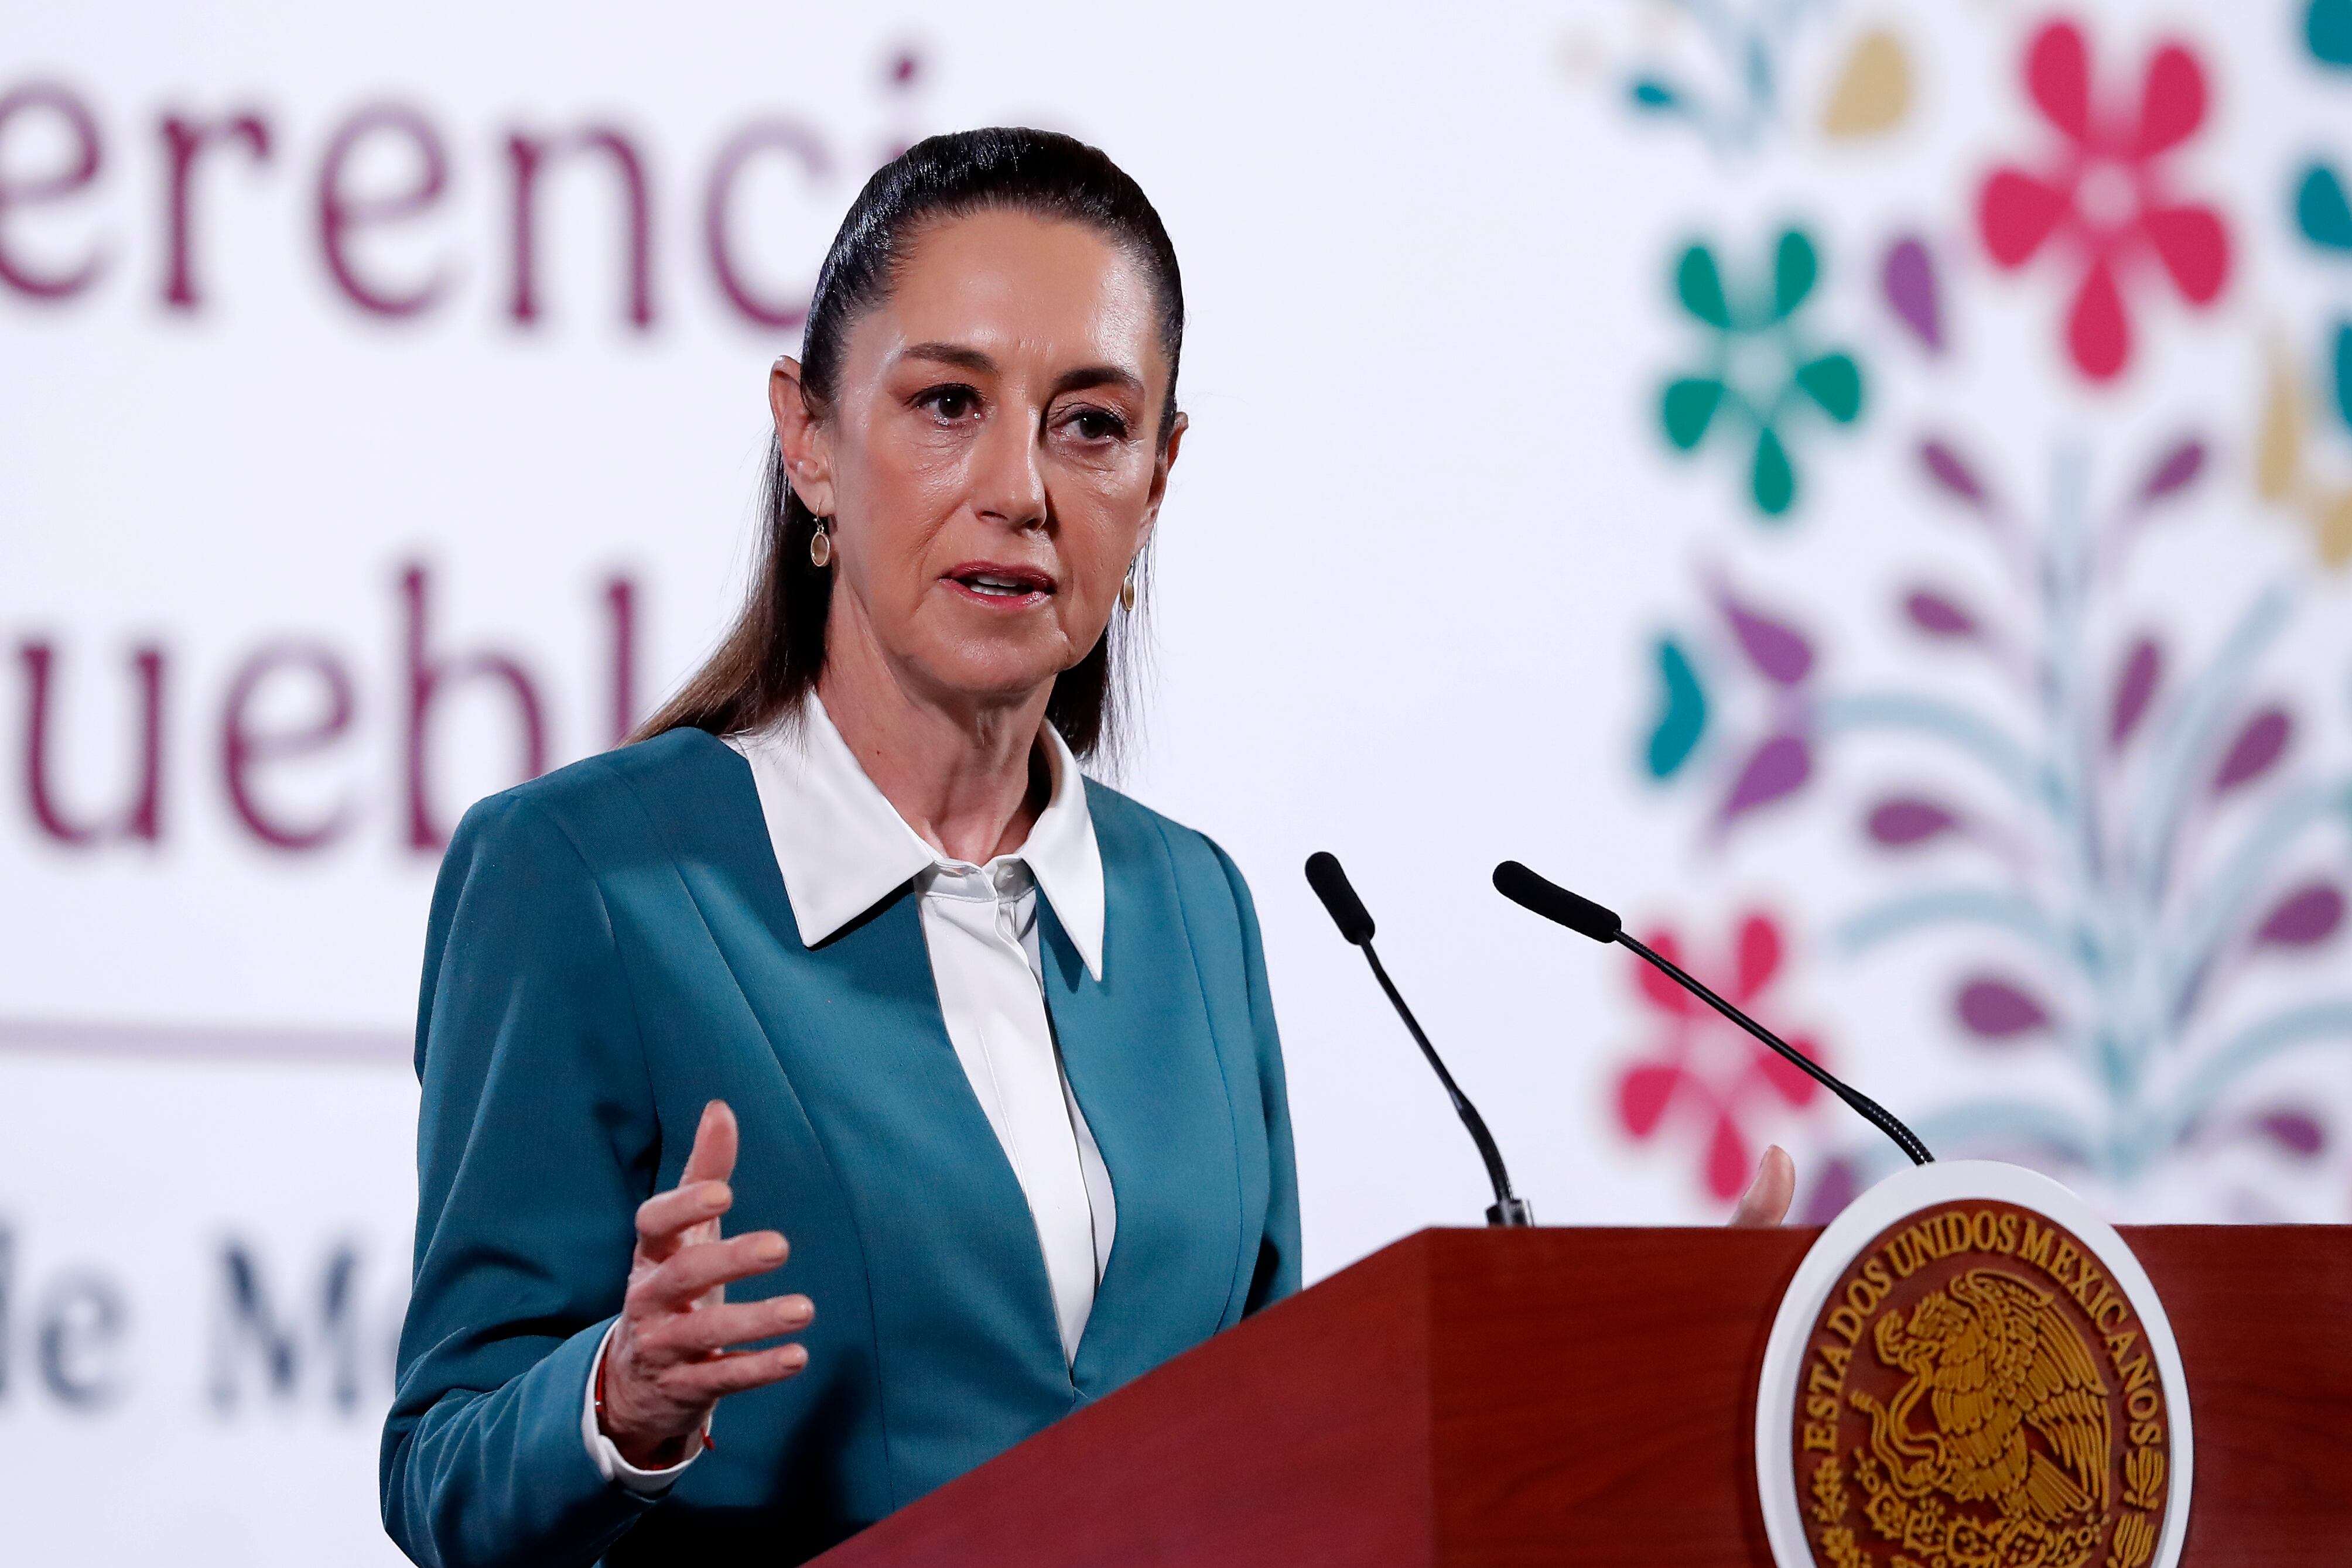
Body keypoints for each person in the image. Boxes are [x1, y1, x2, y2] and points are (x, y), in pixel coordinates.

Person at [380, 126, 1793, 1568]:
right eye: (946, 403)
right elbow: (441, 1467)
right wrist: (620, 1403)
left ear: (1161, 475)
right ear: (808, 438)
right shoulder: (583, 880)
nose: (1021, 490)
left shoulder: (1193, 908)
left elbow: (1271, 1464)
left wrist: (1607, 1382)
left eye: (1092, 425)